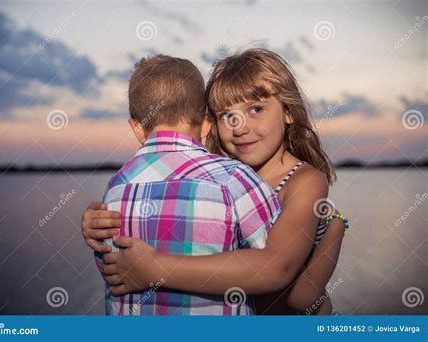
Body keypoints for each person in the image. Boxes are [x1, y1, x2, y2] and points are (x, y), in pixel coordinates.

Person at [83, 49, 348, 315]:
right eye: (226, 115)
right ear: (210, 123)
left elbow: (295, 290)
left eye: (256, 109)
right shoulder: (221, 179)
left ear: (288, 111)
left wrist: (156, 268)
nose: (240, 126)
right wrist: (102, 221)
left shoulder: (305, 181)